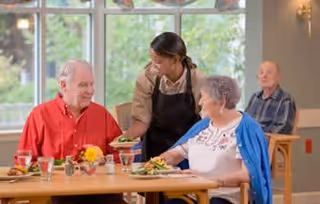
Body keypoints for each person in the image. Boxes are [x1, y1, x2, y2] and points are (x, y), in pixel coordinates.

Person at [15, 59, 125, 204]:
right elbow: (23, 161)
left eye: (92, 84)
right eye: (83, 85)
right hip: (56, 195)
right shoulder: (40, 115)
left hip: (101, 194)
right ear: (63, 85)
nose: (91, 91)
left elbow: (120, 155)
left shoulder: (102, 114)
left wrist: (103, 162)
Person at [161, 76, 272, 204]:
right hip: (194, 195)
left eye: (204, 97)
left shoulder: (247, 129)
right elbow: (176, 154)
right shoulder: (202, 126)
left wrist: (212, 180)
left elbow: (247, 175)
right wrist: (155, 164)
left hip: (225, 198)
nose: (200, 102)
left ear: (221, 102)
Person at [125, 32, 206, 163]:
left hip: (187, 150)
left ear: (175, 60)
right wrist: (122, 140)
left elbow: (207, 121)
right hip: (155, 149)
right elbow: (142, 121)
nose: (152, 66)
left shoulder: (198, 79)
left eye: (158, 62)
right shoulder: (147, 77)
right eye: (151, 60)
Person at [245, 61, 296, 134]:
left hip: (268, 142)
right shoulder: (255, 97)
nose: (264, 76)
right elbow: (244, 122)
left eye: (269, 72)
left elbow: (283, 129)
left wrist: (256, 135)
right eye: (261, 73)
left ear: (278, 76)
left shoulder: (285, 100)